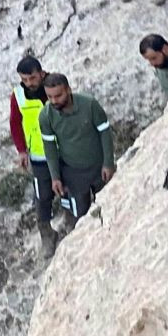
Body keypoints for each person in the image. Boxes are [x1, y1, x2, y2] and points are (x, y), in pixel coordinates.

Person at [38, 74, 115, 224]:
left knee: (109, 207)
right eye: (49, 97)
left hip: (99, 168)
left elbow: (105, 132)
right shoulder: (46, 116)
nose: (54, 101)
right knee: (80, 216)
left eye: (58, 95)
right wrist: (55, 177)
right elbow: (50, 147)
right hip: (73, 173)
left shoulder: (90, 105)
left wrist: (108, 163)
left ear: (68, 90)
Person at [8, 56, 57, 257]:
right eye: (25, 79)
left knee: (68, 188)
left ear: (41, 73)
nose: (29, 83)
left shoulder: (53, 86)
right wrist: (21, 150)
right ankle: (47, 235)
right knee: (42, 197)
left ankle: (74, 223)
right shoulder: (18, 95)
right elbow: (15, 123)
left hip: (60, 150)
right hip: (38, 156)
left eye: (33, 78)